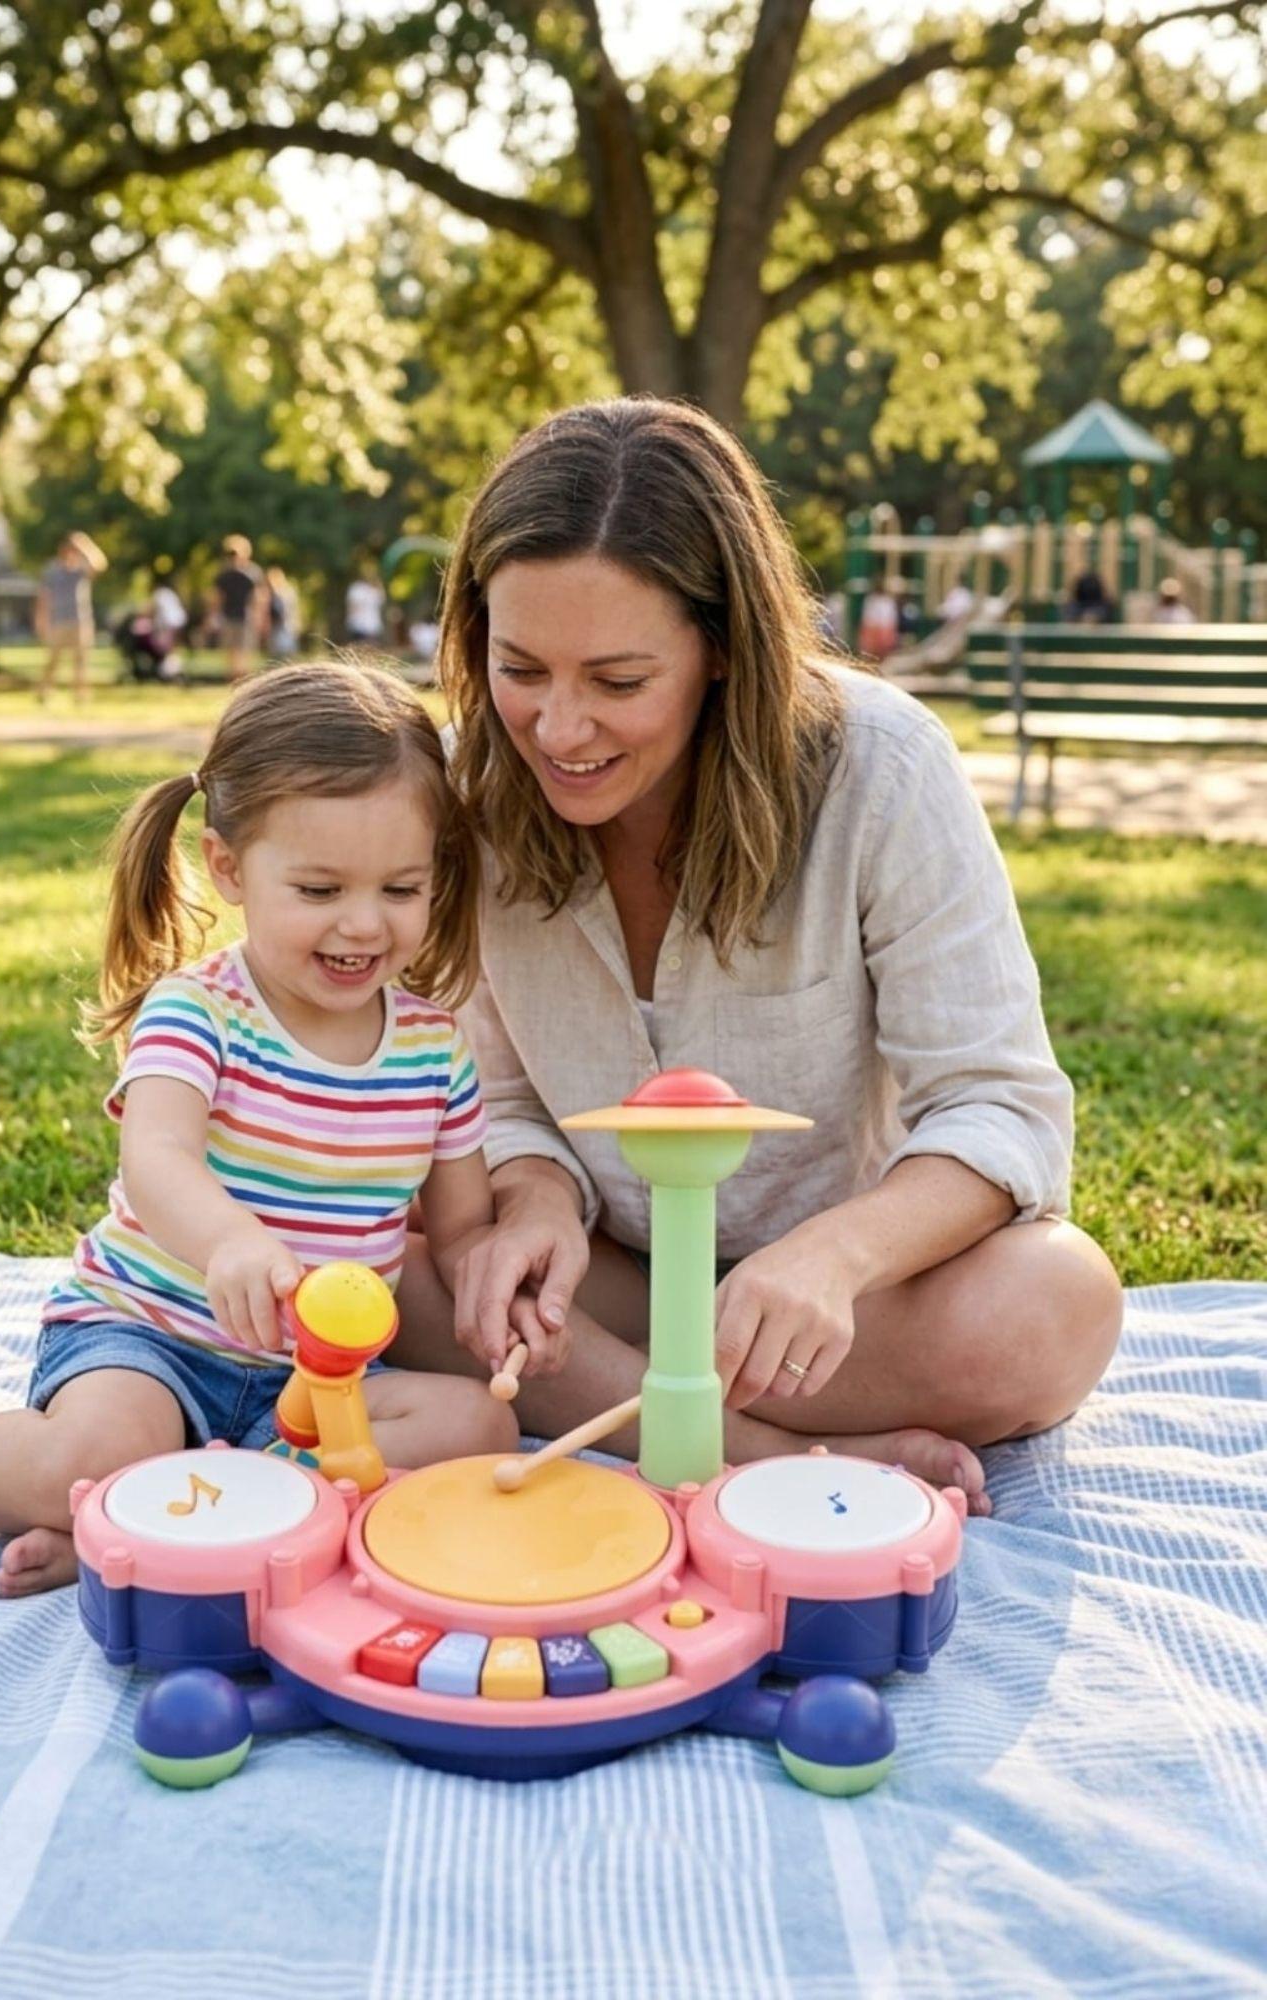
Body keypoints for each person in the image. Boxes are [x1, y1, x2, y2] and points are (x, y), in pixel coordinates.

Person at [386, 398, 1123, 1515]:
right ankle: (756, 1451)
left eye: (618, 681)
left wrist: (837, 1254)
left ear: (724, 649)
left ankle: (638, 1415)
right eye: (520, 666)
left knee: (1054, 1303)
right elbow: (488, 1089)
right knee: (381, 1254)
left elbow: (999, 1109)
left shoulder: (882, 769)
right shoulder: (465, 788)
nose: (559, 729)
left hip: (851, 1307)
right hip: (613, 1276)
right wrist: (531, 1202)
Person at [0, 662, 518, 1592]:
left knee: (479, 1426)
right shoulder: (201, 1011)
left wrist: (493, 1302)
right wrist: (231, 1243)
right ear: (228, 868)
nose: (363, 925)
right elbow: (158, 1156)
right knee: (91, 1448)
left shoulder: (433, 1048)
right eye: (321, 891)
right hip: (149, 1339)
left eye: (401, 891)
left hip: (312, 1387)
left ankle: (134, 1520)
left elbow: (458, 1228)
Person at [36, 532, 105, 703]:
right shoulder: (52, 570)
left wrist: (85, 545)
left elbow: (100, 565)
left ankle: (80, 696)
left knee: (80, 661)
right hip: (58, 621)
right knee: (53, 660)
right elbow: (44, 597)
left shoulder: (80, 571)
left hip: (80, 621)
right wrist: (41, 621)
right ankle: (45, 692)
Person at [209, 534, 266, 681]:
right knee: (231, 651)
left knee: (245, 650)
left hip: (247, 617)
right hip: (229, 616)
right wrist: (213, 616)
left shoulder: (253, 573)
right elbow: (218, 597)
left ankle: (243, 679)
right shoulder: (223, 574)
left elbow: (258, 597)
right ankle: (233, 679)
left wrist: (259, 616)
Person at [855, 574, 901, 661]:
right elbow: (867, 619)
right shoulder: (871, 600)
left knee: (882, 654)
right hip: (873, 630)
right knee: (870, 654)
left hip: (883, 630)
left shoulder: (887, 601)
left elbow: (890, 620)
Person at [345, 561, 386, 647]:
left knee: (371, 647)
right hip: (359, 623)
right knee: (360, 646)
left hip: (372, 624)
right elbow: (352, 606)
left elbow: (381, 600)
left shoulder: (374, 590)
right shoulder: (356, 588)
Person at [265, 565, 301, 660]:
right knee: (275, 653)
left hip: (285, 627)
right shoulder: (271, 594)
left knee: (287, 652)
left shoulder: (286, 593)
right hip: (276, 628)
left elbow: (288, 611)